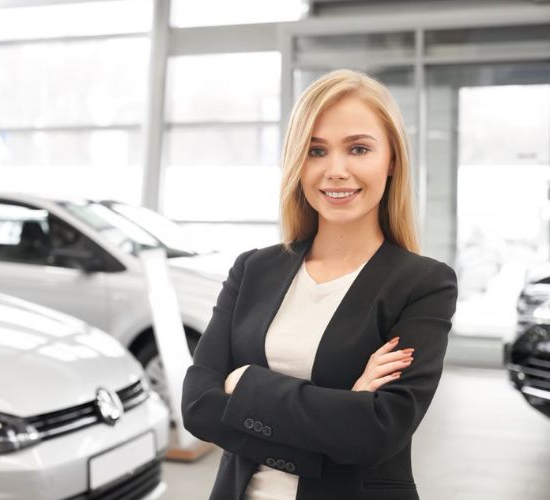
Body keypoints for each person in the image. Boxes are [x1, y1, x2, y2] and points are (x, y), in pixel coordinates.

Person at [181, 69, 458, 500]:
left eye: (359, 149)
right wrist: (343, 406)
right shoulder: (252, 270)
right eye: (316, 151)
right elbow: (199, 407)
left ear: (392, 162)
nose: (336, 171)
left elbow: (378, 432)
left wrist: (246, 385)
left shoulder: (423, 283)